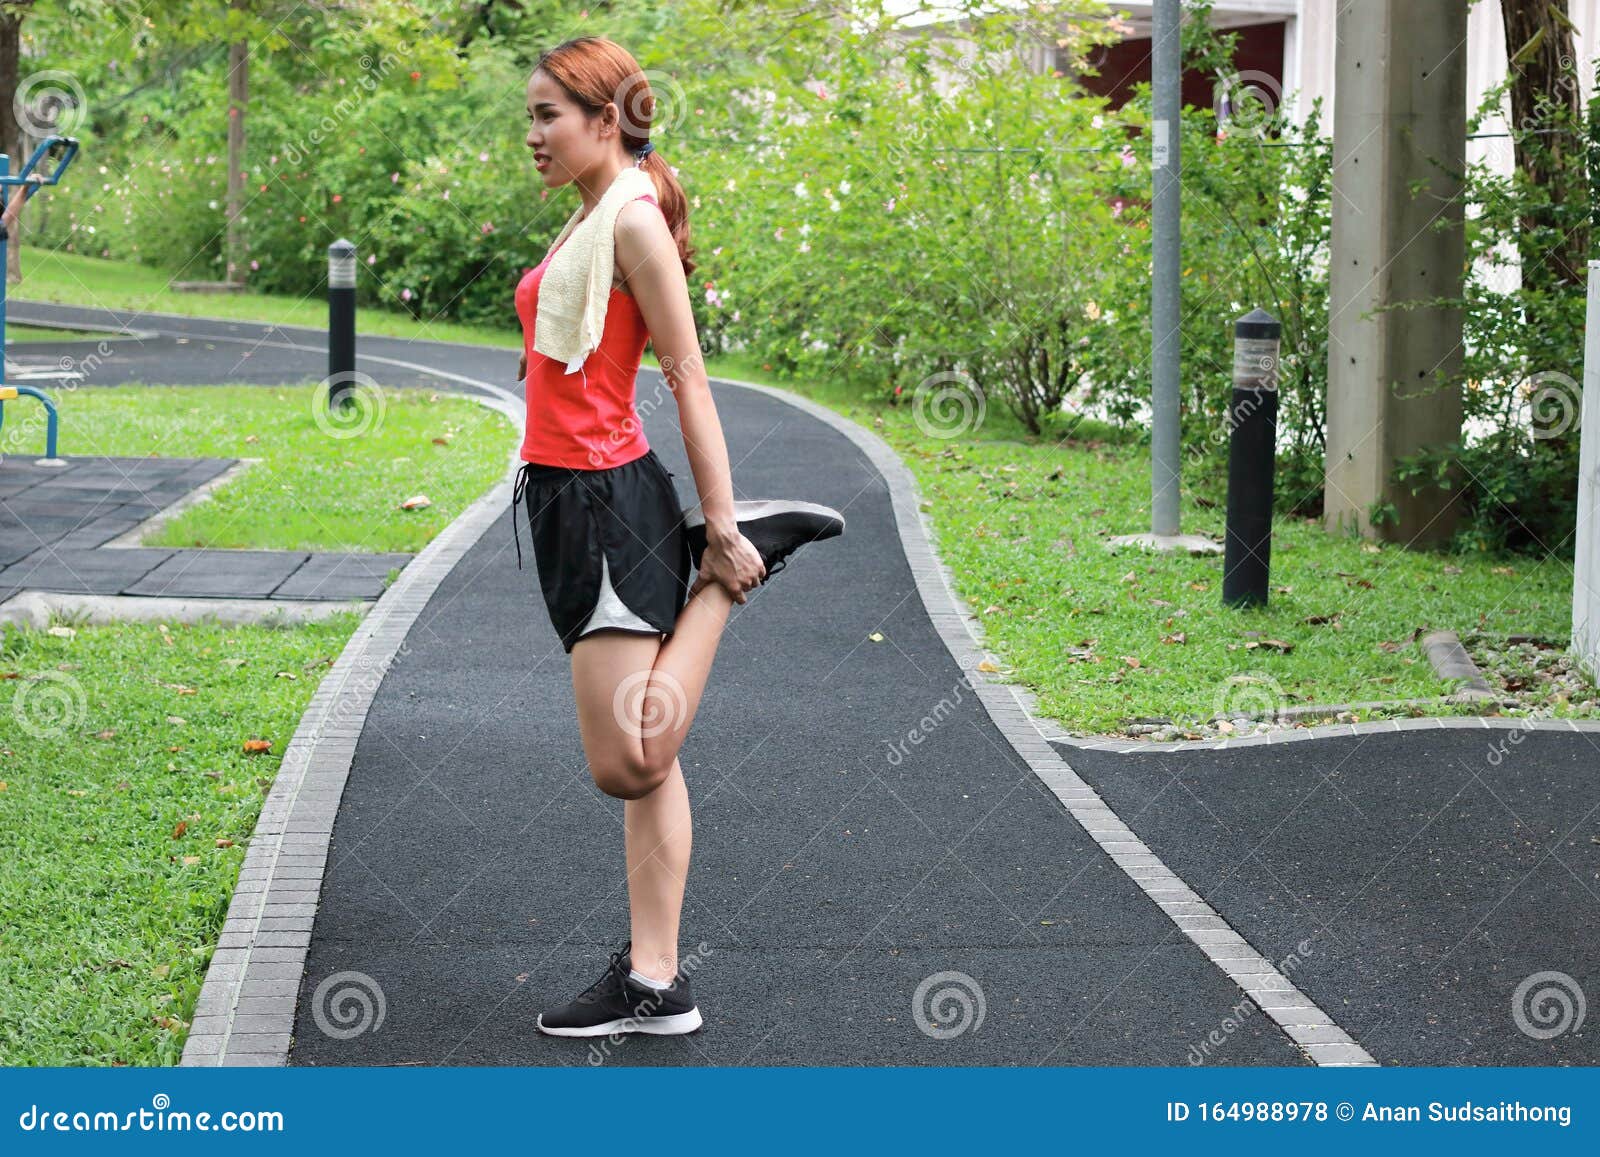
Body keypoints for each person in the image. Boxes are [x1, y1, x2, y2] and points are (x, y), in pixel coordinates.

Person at [510, 36, 845, 1039]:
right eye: (528, 116)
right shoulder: (592, 215)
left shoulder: (634, 222)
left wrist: (726, 528)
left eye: (547, 116)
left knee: (629, 756)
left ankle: (733, 570)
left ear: (604, 120)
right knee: (653, 765)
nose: (531, 136)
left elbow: (687, 374)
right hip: (571, 500)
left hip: (605, 501)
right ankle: (656, 981)